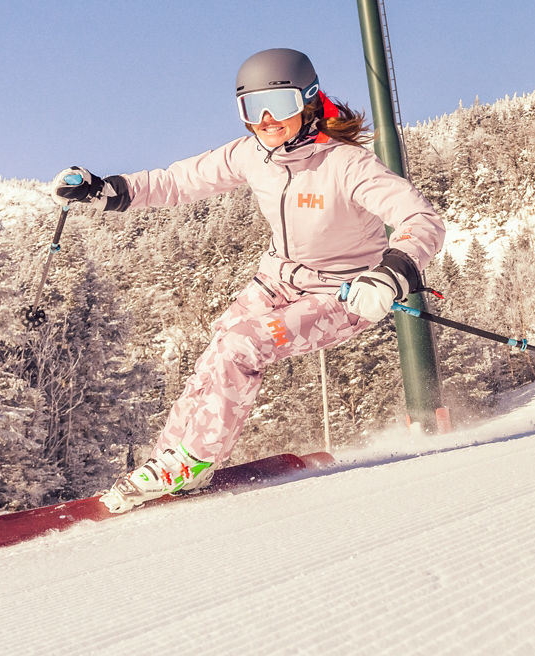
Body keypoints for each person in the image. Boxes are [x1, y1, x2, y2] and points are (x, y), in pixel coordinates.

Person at [51, 48, 445, 513]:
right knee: (220, 345)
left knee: (244, 343)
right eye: (251, 108)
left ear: (309, 101)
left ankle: (194, 461)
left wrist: (391, 272)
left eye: (279, 106)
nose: (265, 120)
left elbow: (421, 219)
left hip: (343, 294)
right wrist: (105, 189)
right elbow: (178, 181)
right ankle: (171, 459)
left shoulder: (346, 164)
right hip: (276, 278)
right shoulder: (250, 155)